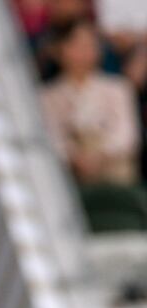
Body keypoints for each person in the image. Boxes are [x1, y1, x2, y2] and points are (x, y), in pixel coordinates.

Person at [40, 18, 141, 186]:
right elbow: (52, 138)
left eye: (90, 45)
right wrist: (74, 156)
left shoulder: (118, 88)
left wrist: (99, 155)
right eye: (76, 45)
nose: (84, 51)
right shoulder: (48, 95)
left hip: (114, 173)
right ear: (59, 49)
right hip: (69, 176)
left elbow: (127, 136)